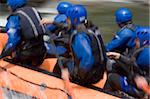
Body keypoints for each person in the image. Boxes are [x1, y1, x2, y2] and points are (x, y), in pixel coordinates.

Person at [61, 5, 107, 85]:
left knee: (62, 62)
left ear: (74, 19)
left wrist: (79, 76)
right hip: (99, 72)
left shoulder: (80, 36)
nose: (66, 20)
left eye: (68, 19)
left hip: (89, 77)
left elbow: (87, 60)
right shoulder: (91, 28)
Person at [104, 27, 150, 98]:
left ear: (143, 41)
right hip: (143, 87)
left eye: (137, 40)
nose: (135, 42)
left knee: (111, 78)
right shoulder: (145, 51)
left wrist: (142, 80)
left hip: (142, 91)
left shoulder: (145, 54)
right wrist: (119, 57)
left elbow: (131, 67)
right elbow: (132, 63)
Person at [0, 0, 46, 66]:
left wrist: (2, 55)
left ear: (13, 6)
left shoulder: (15, 18)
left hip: (26, 56)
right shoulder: (34, 10)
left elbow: (12, 41)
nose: (8, 8)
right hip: (41, 52)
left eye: (8, 6)